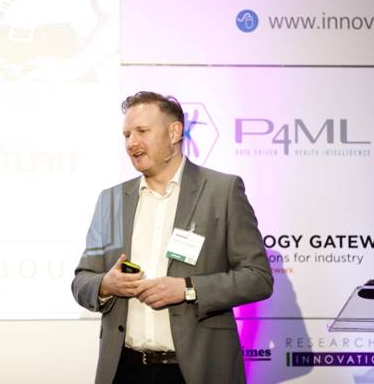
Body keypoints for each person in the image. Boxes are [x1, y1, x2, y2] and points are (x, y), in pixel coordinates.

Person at [72, 91, 274, 384]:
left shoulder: (222, 191)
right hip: (125, 370)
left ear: (174, 132)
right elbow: (82, 281)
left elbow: (258, 278)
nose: (131, 143)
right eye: (127, 135)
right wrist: (106, 284)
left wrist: (187, 289)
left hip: (196, 371)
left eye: (142, 131)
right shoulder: (111, 201)